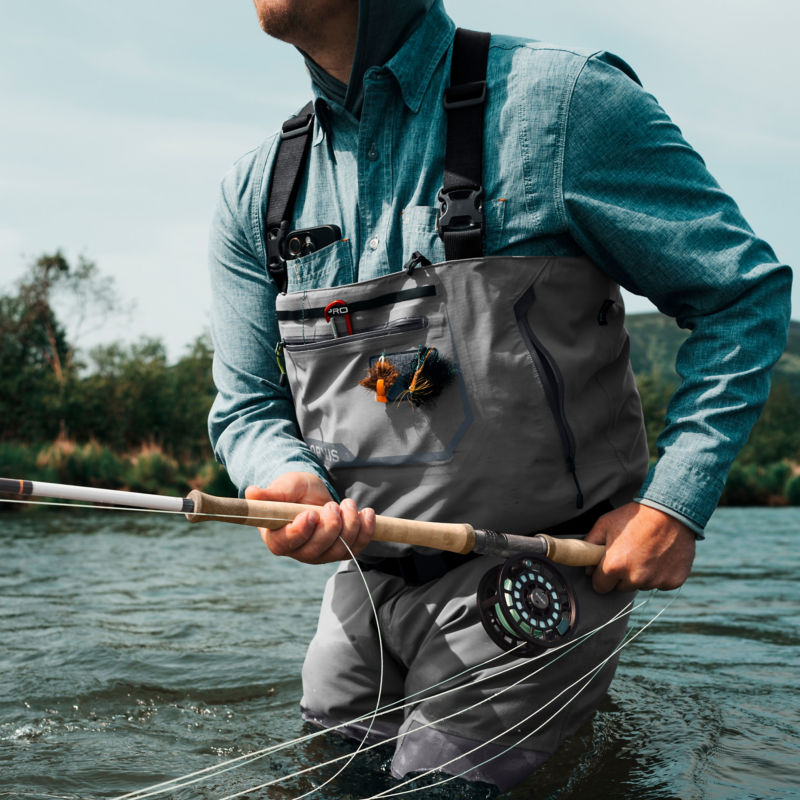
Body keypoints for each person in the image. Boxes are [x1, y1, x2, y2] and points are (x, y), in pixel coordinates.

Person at [207, 0, 792, 791]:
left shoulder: (569, 101)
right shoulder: (257, 189)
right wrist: (284, 474)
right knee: (321, 781)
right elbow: (246, 407)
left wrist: (674, 504)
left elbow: (742, 298)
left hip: (540, 566)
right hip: (364, 584)